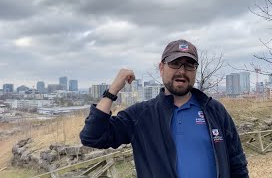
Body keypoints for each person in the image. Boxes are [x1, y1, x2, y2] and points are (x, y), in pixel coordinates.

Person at [80, 39, 249, 178]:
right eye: (175, 63)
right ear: (161, 68)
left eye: (189, 65)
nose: (182, 71)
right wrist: (112, 91)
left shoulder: (214, 110)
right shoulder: (141, 115)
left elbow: (237, 162)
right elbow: (92, 137)